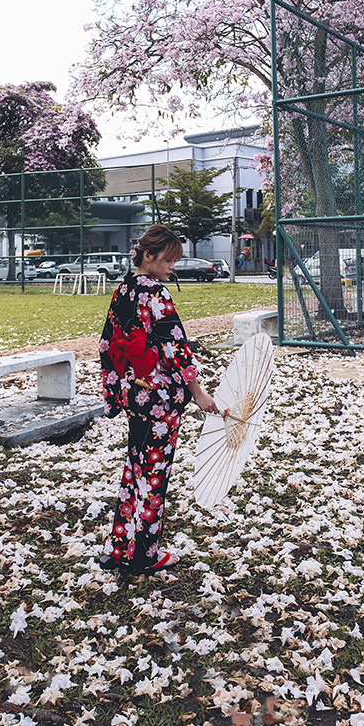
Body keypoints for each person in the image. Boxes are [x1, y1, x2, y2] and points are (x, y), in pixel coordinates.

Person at [98, 225, 219, 574]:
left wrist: (115, 390)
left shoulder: (123, 291)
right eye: (167, 260)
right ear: (148, 256)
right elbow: (175, 347)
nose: (172, 268)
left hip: (133, 395)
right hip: (160, 400)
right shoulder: (156, 294)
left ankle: (118, 547)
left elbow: (107, 346)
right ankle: (145, 554)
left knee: (134, 470)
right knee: (153, 475)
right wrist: (197, 391)